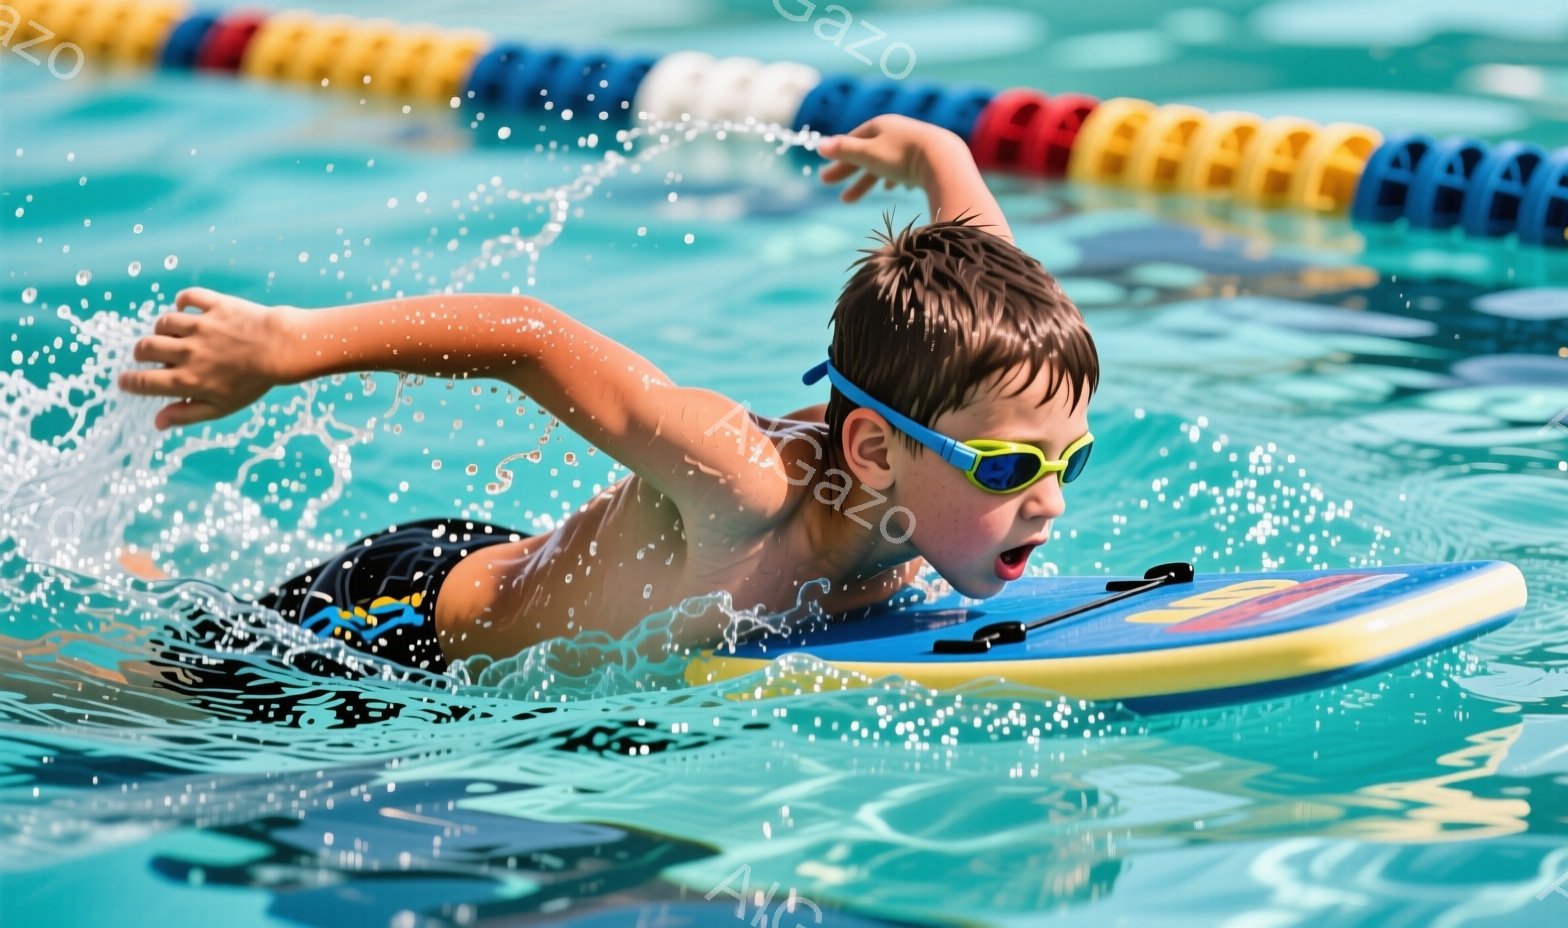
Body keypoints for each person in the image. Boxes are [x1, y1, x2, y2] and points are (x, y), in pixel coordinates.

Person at [116, 114, 1101, 674]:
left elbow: (988, 280)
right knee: (132, 683)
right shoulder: (741, 486)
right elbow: (523, 337)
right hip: (395, 636)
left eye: (1069, 458)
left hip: (525, 568)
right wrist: (283, 346)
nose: (1050, 496)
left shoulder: (939, 422)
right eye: (1014, 468)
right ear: (877, 454)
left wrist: (941, 158)